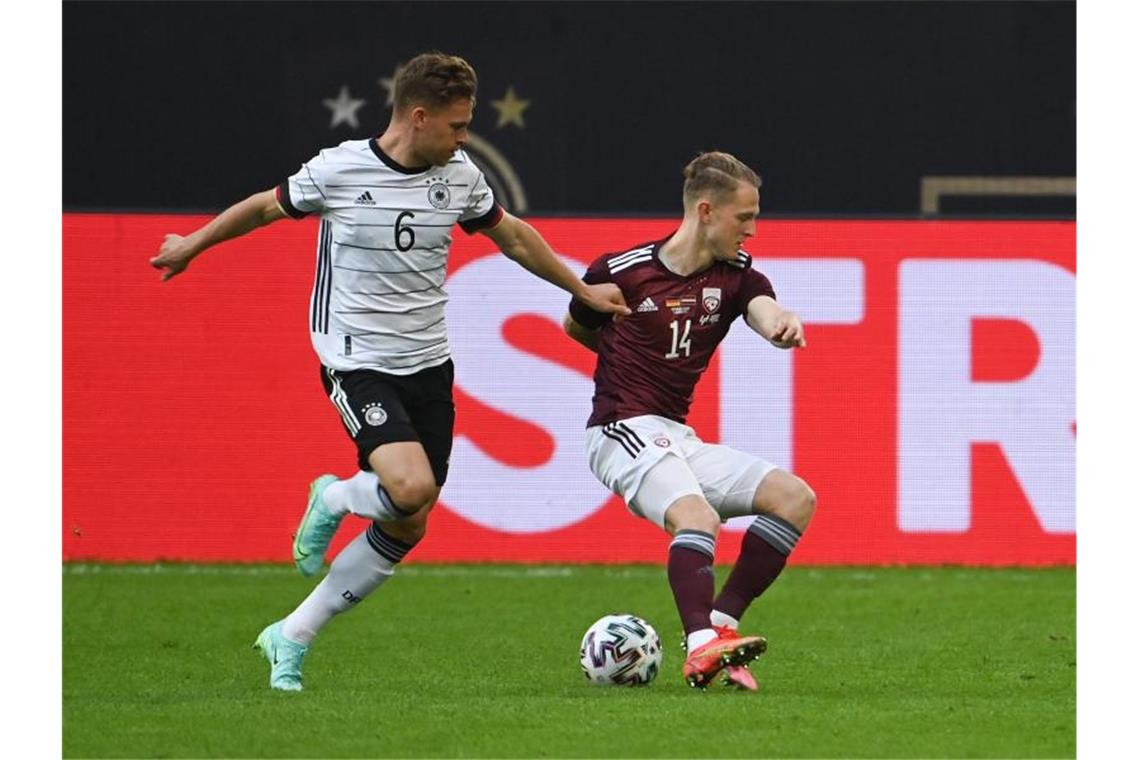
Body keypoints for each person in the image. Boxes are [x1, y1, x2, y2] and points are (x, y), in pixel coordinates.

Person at [149, 51, 629, 691]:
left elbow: (511, 235)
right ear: (419, 116)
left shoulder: (457, 175)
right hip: (356, 359)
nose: (464, 138)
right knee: (407, 487)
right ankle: (334, 495)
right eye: (456, 126)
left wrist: (583, 291)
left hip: (427, 362)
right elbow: (265, 208)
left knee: (412, 517)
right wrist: (192, 244)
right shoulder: (340, 168)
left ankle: (290, 635)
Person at [562, 151, 816, 690]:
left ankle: (720, 626)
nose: (752, 230)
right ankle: (701, 644)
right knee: (697, 517)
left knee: (794, 498)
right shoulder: (621, 272)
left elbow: (765, 310)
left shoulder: (738, 278)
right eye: (743, 218)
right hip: (619, 429)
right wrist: (620, 363)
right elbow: (577, 326)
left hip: (676, 435)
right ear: (706, 211)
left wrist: (781, 324)